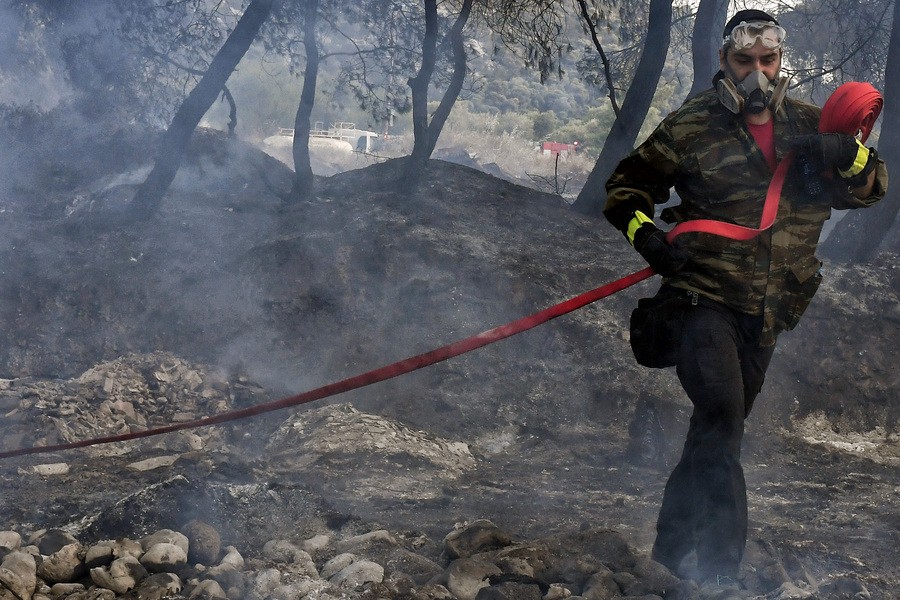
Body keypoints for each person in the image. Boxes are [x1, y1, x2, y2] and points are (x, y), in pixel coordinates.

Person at [602, 8, 888, 590]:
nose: (757, 73)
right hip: (699, 300)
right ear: (725, 63)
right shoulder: (691, 127)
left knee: (718, 432)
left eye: (767, 60)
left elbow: (873, 186)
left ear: (780, 61)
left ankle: (669, 555)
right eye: (743, 61)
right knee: (722, 413)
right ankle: (720, 576)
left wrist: (847, 155)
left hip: (768, 314)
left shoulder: (811, 127)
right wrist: (650, 240)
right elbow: (623, 190)